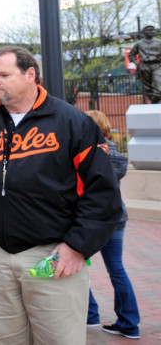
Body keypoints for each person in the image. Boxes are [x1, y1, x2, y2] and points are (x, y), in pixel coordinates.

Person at [0, 45, 123, 344]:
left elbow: (102, 193)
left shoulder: (72, 121)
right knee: (1, 340)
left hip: (53, 253)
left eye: (4, 74)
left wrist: (78, 246)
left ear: (31, 74)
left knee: (59, 340)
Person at [85, 110, 141, 340]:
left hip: (91, 219)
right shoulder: (114, 151)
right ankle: (129, 322)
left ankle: (90, 314)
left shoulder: (89, 152)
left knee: (75, 266)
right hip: (117, 218)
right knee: (117, 269)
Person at [129, 25, 161, 104]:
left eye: (152, 30)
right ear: (144, 32)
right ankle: (154, 104)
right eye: (148, 30)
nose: (150, 31)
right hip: (144, 66)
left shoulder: (159, 42)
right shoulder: (139, 43)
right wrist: (137, 63)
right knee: (147, 89)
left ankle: (154, 102)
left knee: (159, 88)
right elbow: (131, 55)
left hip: (156, 65)